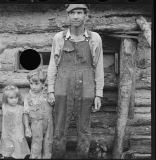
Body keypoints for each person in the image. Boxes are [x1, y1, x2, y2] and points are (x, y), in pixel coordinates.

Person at [47, 4, 104, 159]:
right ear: (67, 16)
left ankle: (82, 156)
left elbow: (98, 67)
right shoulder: (59, 38)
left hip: (86, 87)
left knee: (84, 129)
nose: (76, 16)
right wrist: (50, 90)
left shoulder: (94, 38)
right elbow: (53, 64)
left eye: (80, 13)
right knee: (60, 128)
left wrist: (98, 94)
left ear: (86, 16)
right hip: (62, 86)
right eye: (72, 13)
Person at [23, 69, 53, 159]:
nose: (33, 87)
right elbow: (25, 113)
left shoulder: (48, 95)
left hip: (49, 122)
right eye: (31, 83)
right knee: (36, 144)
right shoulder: (28, 97)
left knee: (48, 142)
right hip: (36, 124)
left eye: (37, 84)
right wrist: (27, 128)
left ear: (43, 84)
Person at [0, 85, 30, 159]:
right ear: (6, 98)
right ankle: (8, 156)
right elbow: (2, 113)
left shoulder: (20, 108)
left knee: (17, 147)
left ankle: (18, 157)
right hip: (7, 132)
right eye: (11, 98)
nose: (14, 100)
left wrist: (27, 128)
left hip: (17, 131)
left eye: (16, 97)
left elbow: (24, 119)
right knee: (8, 147)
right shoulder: (4, 106)